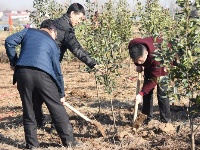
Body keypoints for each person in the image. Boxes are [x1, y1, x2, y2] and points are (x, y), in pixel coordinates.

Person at [5, 19, 76, 149]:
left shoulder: (28, 31)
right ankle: (70, 142)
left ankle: (32, 145)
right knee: (56, 108)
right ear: (52, 31)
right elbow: (57, 71)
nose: (55, 38)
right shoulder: (53, 45)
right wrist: (61, 94)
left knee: (29, 109)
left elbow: (9, 41)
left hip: (22, 73)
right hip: (43, 75)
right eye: (55, 35)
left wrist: (14, 62)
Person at [35, 3, 101, 128]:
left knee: (37, 95)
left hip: (35, 65)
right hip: (50, 67)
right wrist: (94, 64)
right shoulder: (66, 30)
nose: (80, 21)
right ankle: (57, 125)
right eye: (79, 18)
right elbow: (77, 50)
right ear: (72, 14)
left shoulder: (51, 24)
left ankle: (38, 122)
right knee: (56, 97)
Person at [128, 36, 171, 123]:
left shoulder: (156, 57)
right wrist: (138, 65)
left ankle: (166, 121)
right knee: (147, 94)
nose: (139, 62)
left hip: (163, 64)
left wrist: (140, 94)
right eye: (136, 61)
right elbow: (137, 56)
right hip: (150, 63)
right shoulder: (133, 45)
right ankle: (147, 119)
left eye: (140, 60)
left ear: (146, 53)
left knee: (162, 94)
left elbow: (154, 79)